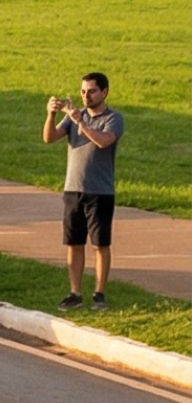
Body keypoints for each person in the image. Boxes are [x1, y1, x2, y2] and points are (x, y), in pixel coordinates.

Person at [44, 73, 123, 309]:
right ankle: (75, 292)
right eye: (82, 92)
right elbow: (49, 138)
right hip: (73, 189)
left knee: (100, 244)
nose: (85, 96)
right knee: (74, 242)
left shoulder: (113, 118)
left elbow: (103, 141)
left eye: (91, 91)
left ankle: (99, 294)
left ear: (104, 92)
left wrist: (81, 123)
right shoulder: (73, 117)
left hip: (100, 191)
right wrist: (51, 114)